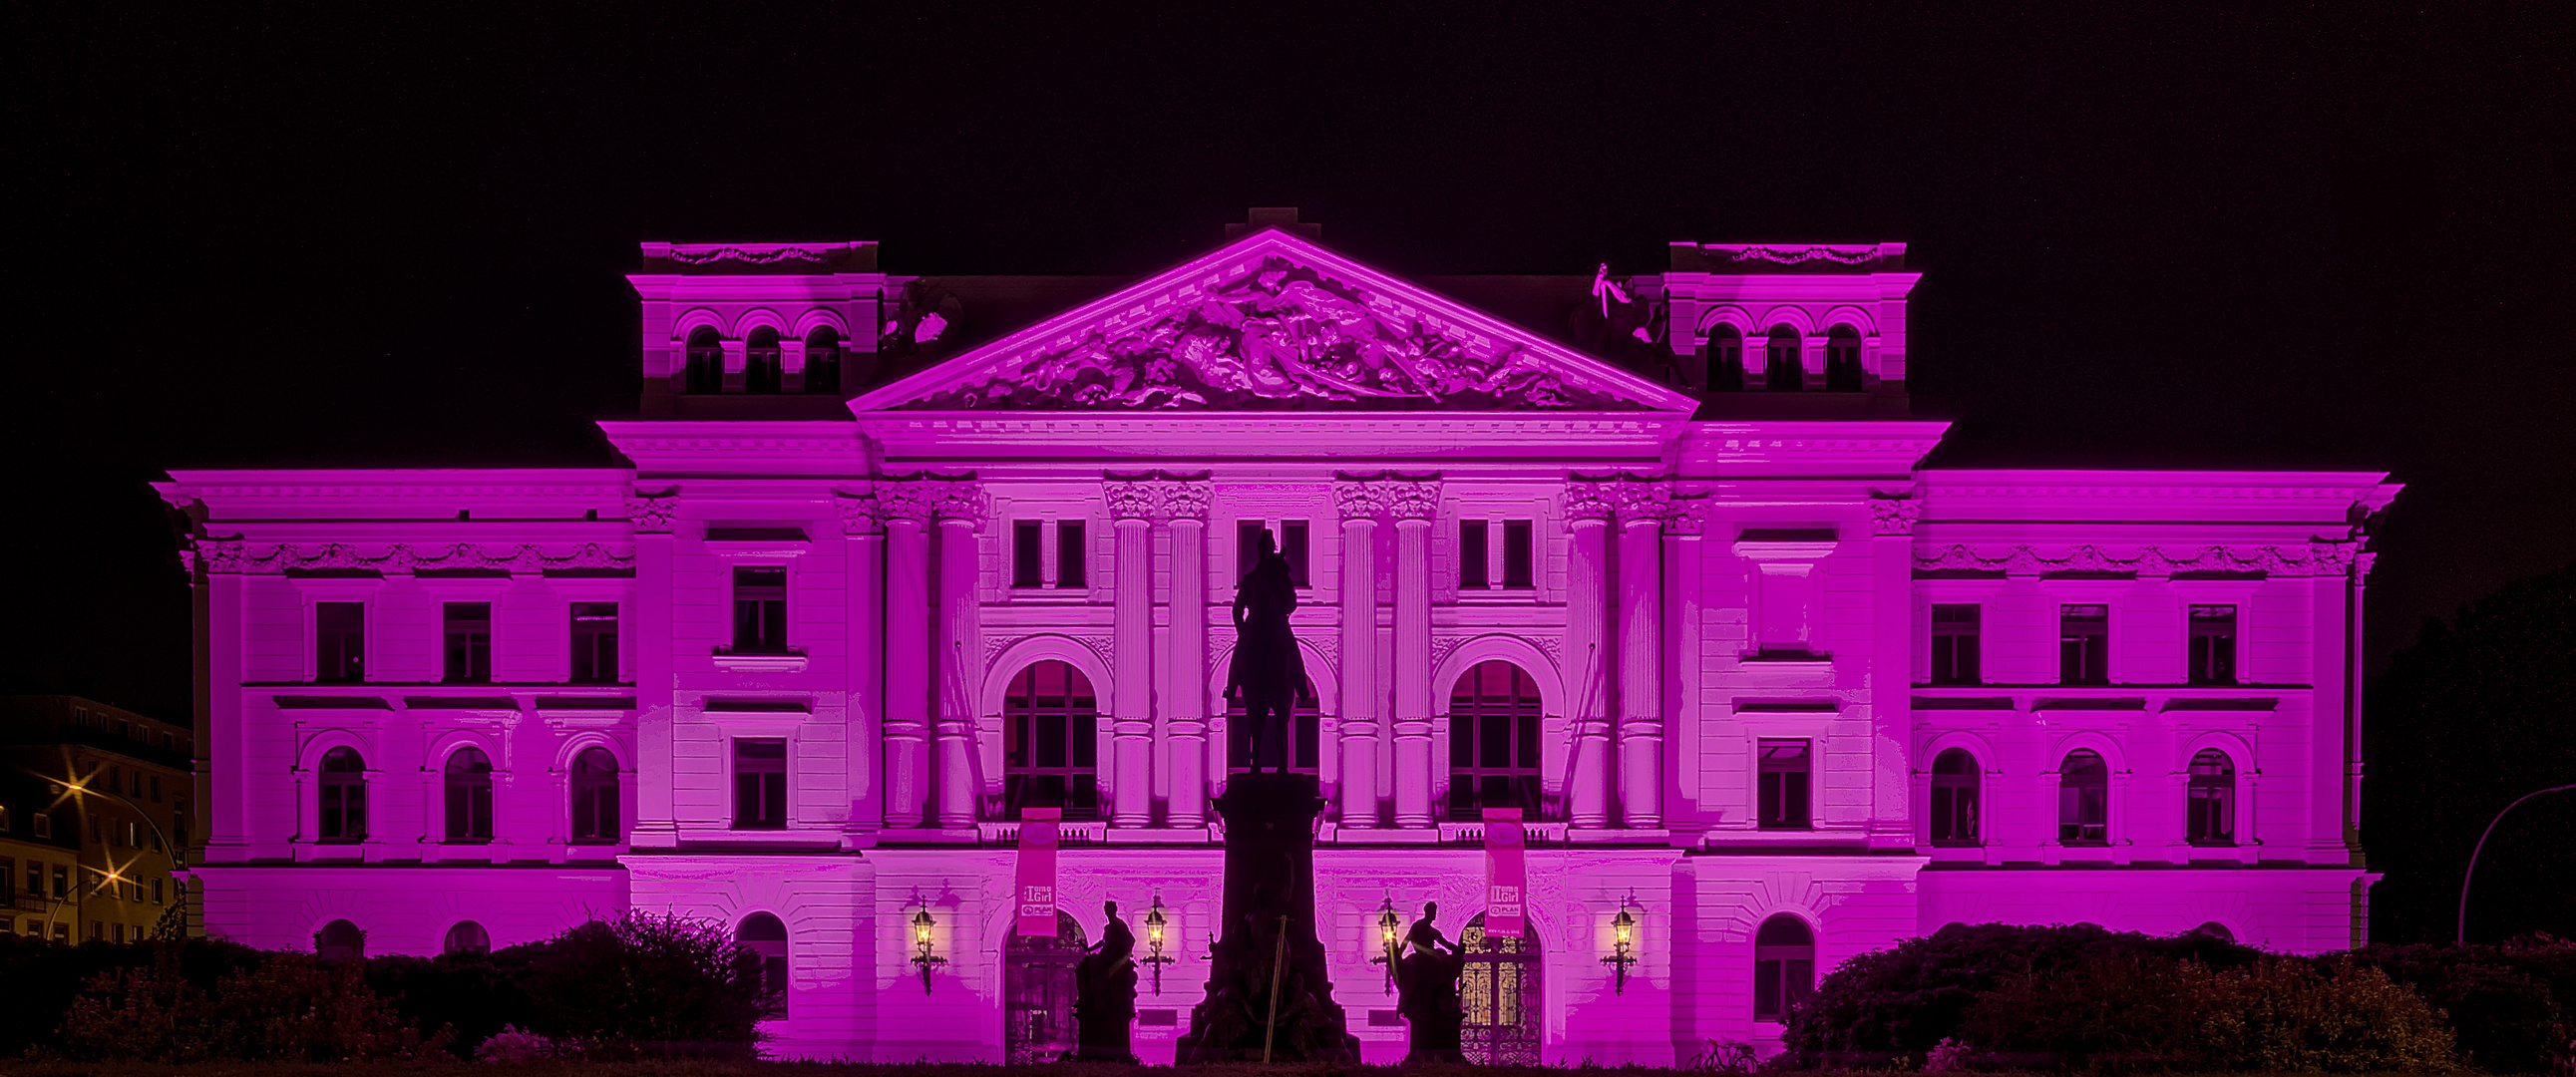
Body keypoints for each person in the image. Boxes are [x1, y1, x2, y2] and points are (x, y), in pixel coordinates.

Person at [1227, 529, 1307, 772]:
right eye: (1264, 547)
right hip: (1254, 627)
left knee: (1292, 650)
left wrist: (1279, 601)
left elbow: (1292, 602)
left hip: (1276, 623)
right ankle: (1231, 688)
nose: (1266, 551)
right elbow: (1237, 609)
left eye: (1268, 546)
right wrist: (1243, 632)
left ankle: (1301, 686)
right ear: (1259, 550)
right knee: (1240, 654)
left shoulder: (1280, 573)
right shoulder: (1250, 580)